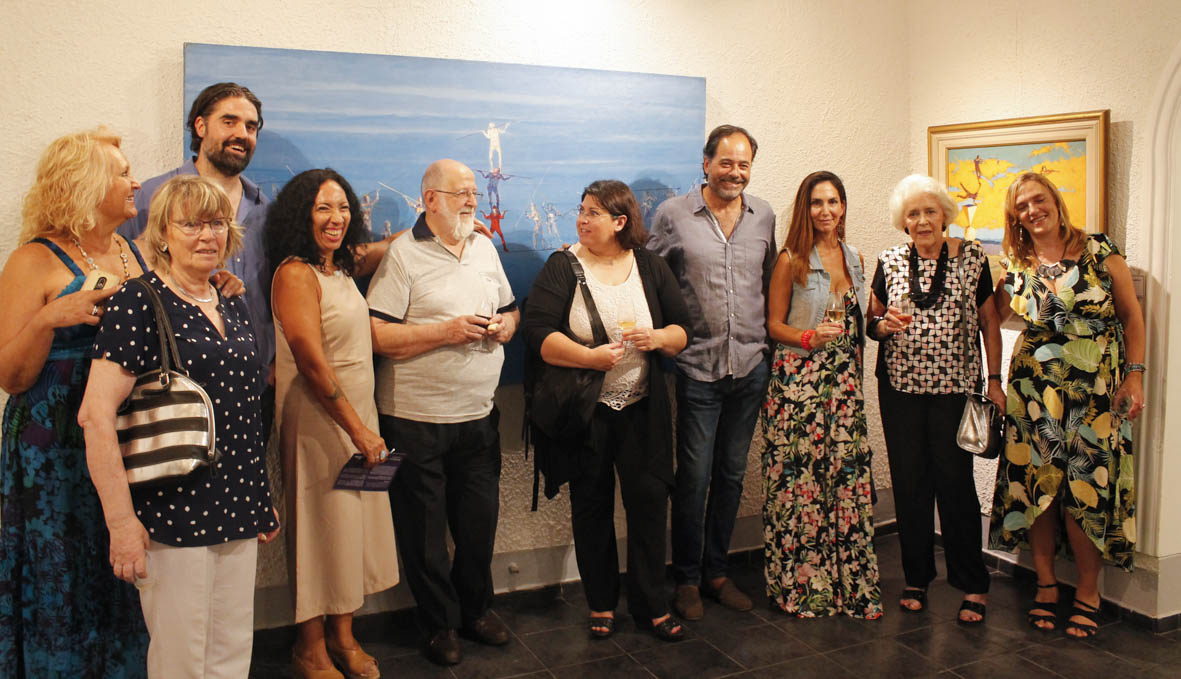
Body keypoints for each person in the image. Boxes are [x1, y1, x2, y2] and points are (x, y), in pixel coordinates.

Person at [79, 175, 279, 678]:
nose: (207, 234)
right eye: (191, 224)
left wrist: (260, 496)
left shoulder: (230, 300)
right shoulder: (137, 301)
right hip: (171, 510)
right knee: (181, 661)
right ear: (163, 234)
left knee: (231, 654)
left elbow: (243, 408)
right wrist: (121, 523)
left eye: (217, 223)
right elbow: (95, 416)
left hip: (237, 503)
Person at [0, 128, 150, 677]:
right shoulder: (32, 260)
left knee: (119, 557)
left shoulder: (133, 251)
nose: (135, 182)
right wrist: (49, 318)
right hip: (51, 445)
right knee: (62, 563)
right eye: (122, 173)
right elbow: (10, 376)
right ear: (85, 183)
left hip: (120, 433)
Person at [523, 180, 690, 641]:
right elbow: (537, 333)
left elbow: (683, 329)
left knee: (649, 505)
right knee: (591, 506)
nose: (582, 219)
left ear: (620, 222)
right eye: (581, 210)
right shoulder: (563, 266)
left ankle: (652, 604)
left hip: (642, 408)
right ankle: (601, 602)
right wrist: (588, 358)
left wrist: (658, 338)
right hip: (587, 413)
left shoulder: (649, 265)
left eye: (593, 212)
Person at [367, 159, 517, 666]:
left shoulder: (484, 247)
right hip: (415, 419)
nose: (472, 200)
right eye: (460, 193)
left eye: (473, 192)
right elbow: (377, 335)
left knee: (478, 526)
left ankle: (476, 611)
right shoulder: (403, 255)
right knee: (424, 534)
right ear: (430, 199)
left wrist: (507, 326)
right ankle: (438, 626)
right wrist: (445, 332)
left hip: (478, 415)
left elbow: (511, 309)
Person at [988, 172, 1144, 638]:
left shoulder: (1100, 252)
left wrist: (1135, 374)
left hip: (1095, 391)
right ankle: (1046, 583)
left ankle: (1089, 591)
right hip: (1033, 390)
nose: (1032, 210)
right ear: (1015, 217)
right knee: (1037, 486)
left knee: (1085, 488)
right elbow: (990, 315)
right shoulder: (1015, 265)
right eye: (1021, 206)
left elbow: (1132, 316)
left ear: (1056, 202)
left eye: (1038, 200)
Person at [266, 169, 401, 679]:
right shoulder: (295, 274)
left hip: (357, 414)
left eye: (343, 207)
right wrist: (357, 429)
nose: (336, 218)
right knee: (319, 531)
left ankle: (344, 636)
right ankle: (310, 646)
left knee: (351, 528)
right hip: (319, 419)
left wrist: (438, 223)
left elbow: (381, 248)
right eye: (323, 207)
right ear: (301, 214)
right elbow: (310, 361)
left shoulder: (339, 266)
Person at [647, 124, 777, 619]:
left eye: (744, 164)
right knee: (694, 478)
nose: (735, 173)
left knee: (731, 475)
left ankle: (717, 572)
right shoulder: (673, 214)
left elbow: (769, 283)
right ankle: (686, 579)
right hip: (697, 367)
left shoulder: (763, 215)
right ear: (706, 163)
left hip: (750, 367)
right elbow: (653, 279)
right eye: (726, 163)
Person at [867, 174, 1004, 624]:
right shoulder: (889, 261)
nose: (922, 220)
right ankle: (916, 577)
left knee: (956, 484)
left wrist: (995, 380)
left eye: (930, 211)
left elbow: (989, 323)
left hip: (954, 390)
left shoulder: (973, 258)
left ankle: (972, 582)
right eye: (913, 213)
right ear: (903, 221)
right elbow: (872, 323)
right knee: (910, 484)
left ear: (944, 214)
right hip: (900, 390)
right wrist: (884, 326)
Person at [118, 83, 275, 429]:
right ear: (200, 126)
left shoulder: (266, 210)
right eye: (229, 122)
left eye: (251, 127)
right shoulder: (150, 197)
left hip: (251, 387)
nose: (242, 134)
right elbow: (121, 269)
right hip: (171, 390)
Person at [760, 171, 880, 618]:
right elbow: (774, 325)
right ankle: (804, 586)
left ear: (843, 206)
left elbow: (863, 318)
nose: (825, 210)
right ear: (804, 209)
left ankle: (848, 583)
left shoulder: (856, 258)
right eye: (816, 203)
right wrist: (809, 337)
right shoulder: (790, 259)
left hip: (845, 387)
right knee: (801, 486)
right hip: (799, 386)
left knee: (844, 482)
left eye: (832, 201)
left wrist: (885, 322)